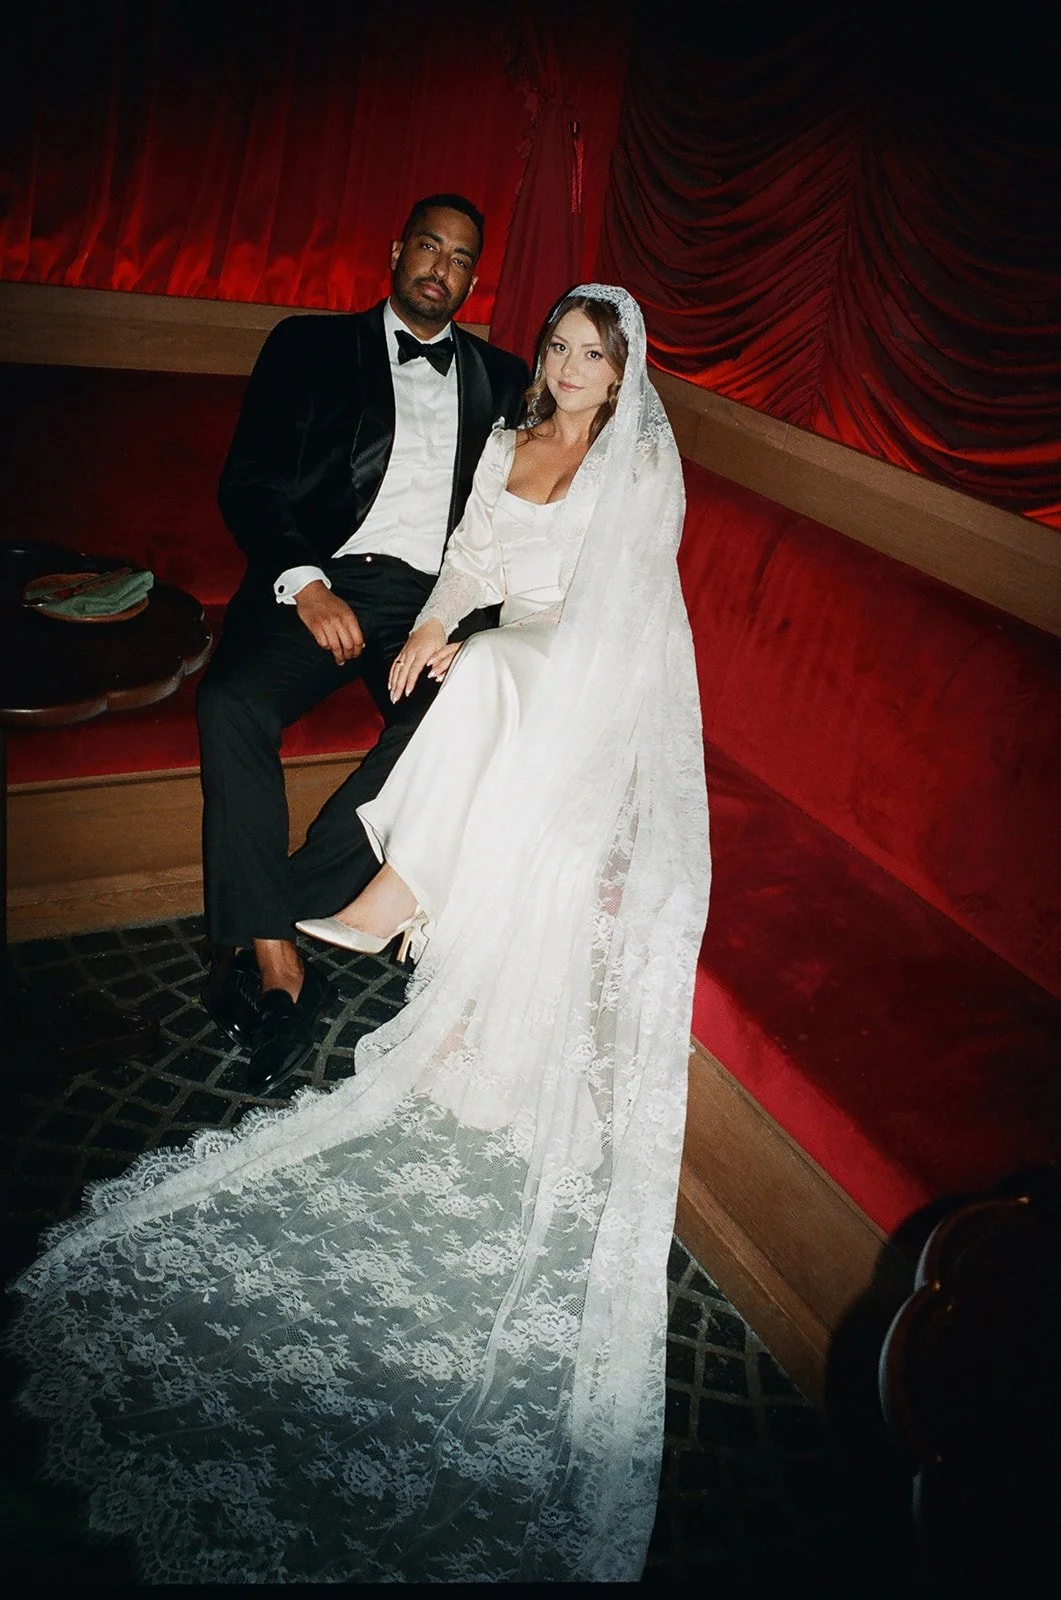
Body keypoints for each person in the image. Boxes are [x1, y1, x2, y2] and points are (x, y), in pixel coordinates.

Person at [8, 286, 710, 1583]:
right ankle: (373, 896)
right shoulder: (509, 439)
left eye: (586, 357)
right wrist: (440, 621)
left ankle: (394, 891)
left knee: (489, 680)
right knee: (460, 672)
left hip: (595, 677)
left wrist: (482, 645)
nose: (561, 368)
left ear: (621, 378)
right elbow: (477, 564)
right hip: (504, 643)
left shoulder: (631, 471)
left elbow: (629, 628)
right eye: (553, 346)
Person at [198, 193, 529, 1095]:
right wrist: (304, 582)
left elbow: (526, 511)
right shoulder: (305, 345)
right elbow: (250, 480)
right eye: (428, 245)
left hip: (431, 600)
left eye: (461, 258)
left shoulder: (505, 380)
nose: (440, 267)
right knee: (229, 703)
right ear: (396, 250)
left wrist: (472, 620)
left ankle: (280, 906)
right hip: (321, 578)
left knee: (451, 723)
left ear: (471, 277)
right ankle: (277, 959)